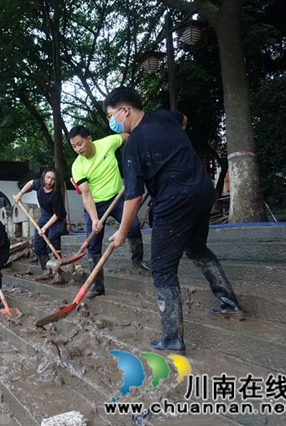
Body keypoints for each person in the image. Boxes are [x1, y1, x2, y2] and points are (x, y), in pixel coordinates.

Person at [104, 86, 245, 353]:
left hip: (174, 202)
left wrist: (122, 232)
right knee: (196, 248)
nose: (112, 123)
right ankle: (229, 303)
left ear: (125, 111)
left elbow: (133, 198)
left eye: (112, 116)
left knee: (162, 269)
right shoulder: (164, 117)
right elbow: (183, 120)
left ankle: (172, 338)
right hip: (202, 191)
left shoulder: (133, 144)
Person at [69, 125, 151, 299]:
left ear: (89, 138)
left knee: (134, 225)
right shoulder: (77, 167)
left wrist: (133, 158)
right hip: (95, 205)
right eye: (74, 146)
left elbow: (127, 136)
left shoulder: (108, 143)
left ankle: (137, 260)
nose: (78, 149)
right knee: (93, 246)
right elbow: (86, 196)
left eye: (80, 144)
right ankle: (97, 286)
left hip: (117, 199)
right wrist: (94, 219)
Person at [13, 167, 68, 283]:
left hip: (57, 219)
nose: (49, 181)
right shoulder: (38, 184)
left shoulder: (56, 194)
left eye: (53, 179)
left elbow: (57, 215)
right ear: (43, 177)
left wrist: (44, 227)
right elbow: (30, 183)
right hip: (45, 215)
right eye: (48, 178)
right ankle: (47, 271)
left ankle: (59, 274)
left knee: (53, 240)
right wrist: (20, 194)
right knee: (38, 244)